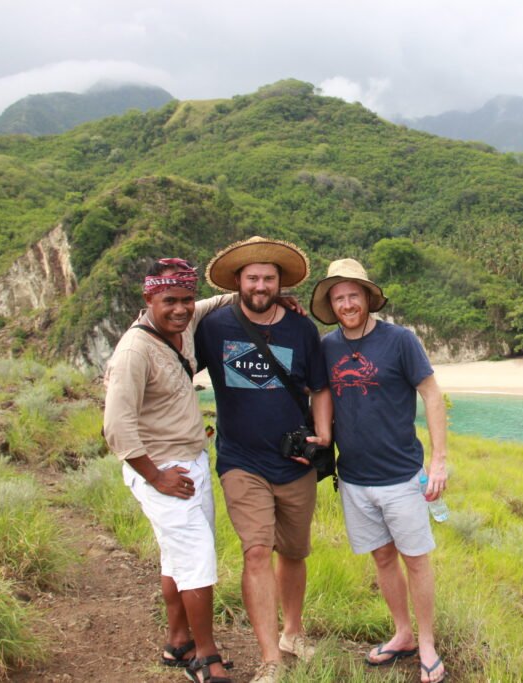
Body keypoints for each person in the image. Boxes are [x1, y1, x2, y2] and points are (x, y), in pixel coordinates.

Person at [195, 237, 331, 683]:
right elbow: (177, 365)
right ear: (237, 282)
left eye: (268, 278)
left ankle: (293, 633)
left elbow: (320, 388)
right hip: (241, 460)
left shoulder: (301, 328)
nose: (260, 285)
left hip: (294, 462)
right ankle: (270, 658)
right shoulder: (213, 327)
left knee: (293, 551)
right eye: (252, 277)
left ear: (279, 283)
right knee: (256, 551)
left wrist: (324, 436)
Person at [309, 258, 449, 683]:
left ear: (368, 297)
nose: (347, 303)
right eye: (338, 298)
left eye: (354, 295)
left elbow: (432, 395)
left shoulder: (400, 341)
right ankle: (402, 634)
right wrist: (319, 439)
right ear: (331, 306)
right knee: (383, 558)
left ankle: (426, 643)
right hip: (353, 478)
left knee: (416, 560)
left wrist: (439, 460)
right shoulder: (327, 346)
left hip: (403, 476)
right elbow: (321, 395)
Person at [103, 258, 232, 683]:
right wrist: (156, 476)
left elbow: (217, 303)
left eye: (186, 300)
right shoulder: (134, 352)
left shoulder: (185, 323)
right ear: (148, 300)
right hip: (163, 469)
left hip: (190, 459)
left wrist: (274, 298)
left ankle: (178, 641)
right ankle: (205, 656)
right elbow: (116, 428)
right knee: (197, 560)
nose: (180, 309)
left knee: (177, 557)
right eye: (169, 301)